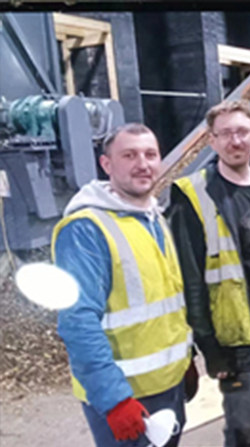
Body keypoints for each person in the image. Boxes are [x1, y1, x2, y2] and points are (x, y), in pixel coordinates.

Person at [168, 99, 250, 447]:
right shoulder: (193, 194)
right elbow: (189, 278)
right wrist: (208, 345)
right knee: (246, 427)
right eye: (225, 134)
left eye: (242, 132)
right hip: (234, 331)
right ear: (211, 141)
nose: (235, 141)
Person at [53, 123, 193, 447]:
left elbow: (167, 302)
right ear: (107, 164)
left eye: (150, 154)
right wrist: (114, 399)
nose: (143, 164)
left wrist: (185, 360)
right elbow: (77, 321)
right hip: (127, 397)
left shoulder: (153, 217)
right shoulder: (86, 228)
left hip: (167, 385)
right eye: (129, 155)